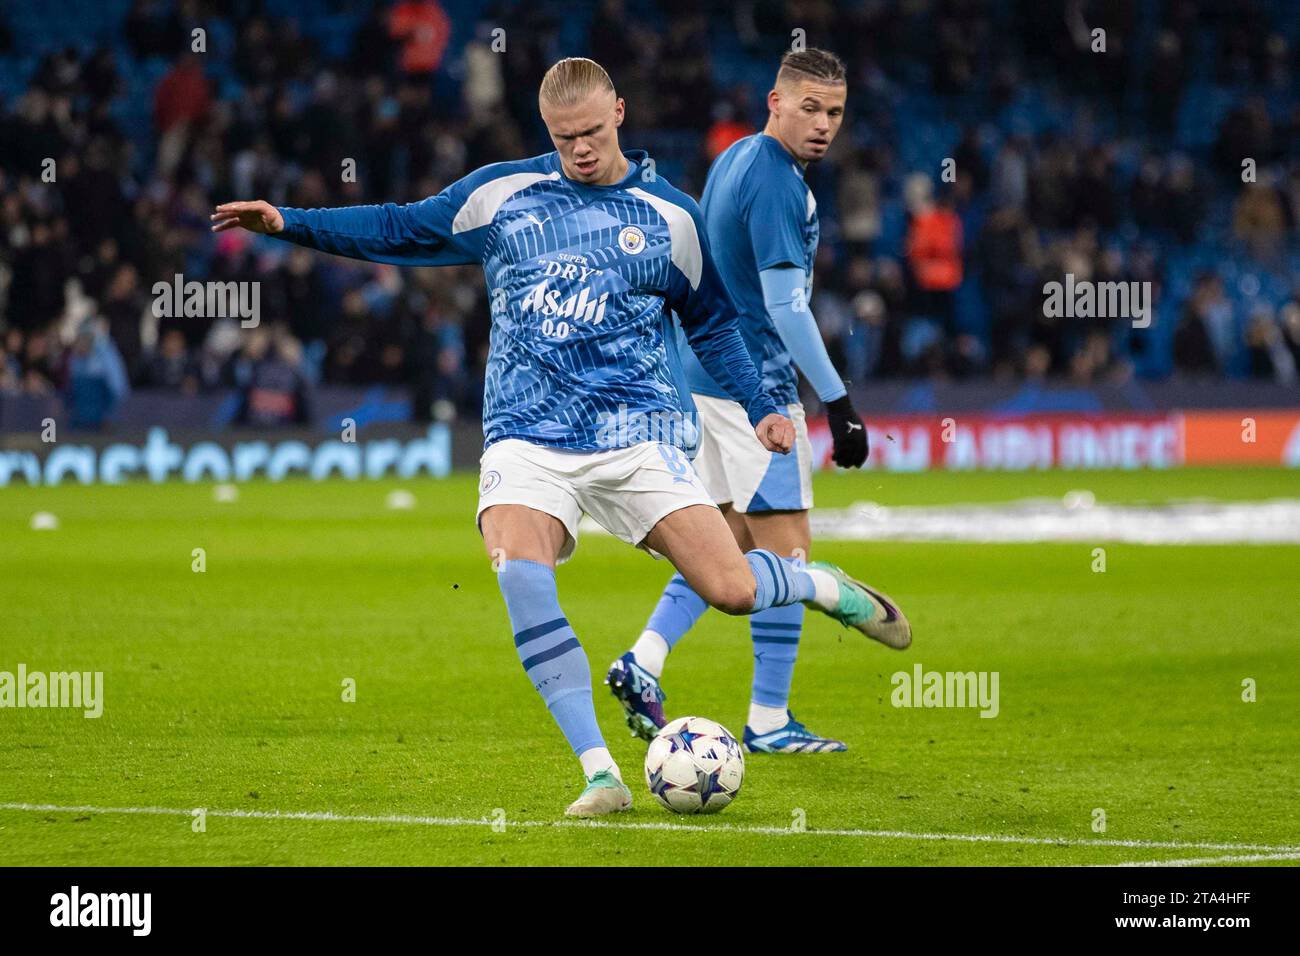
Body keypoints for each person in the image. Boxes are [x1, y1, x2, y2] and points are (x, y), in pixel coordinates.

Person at [212, 57, 896, 817]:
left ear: (621, 116)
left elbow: (713, 323)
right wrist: (291, 223)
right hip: (525, 440)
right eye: (565, 137)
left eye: (594, 133)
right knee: (520, 574)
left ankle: (817, 584)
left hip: (637, 439)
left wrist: (764, 402)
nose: (580, 149)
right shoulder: (501, 195)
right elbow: (400, 227)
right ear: (549, 131)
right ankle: (601, 772)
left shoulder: (670, 217)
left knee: (733, 588)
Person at [608, 49, 910, 756]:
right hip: (759, 394)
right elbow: (787, 305)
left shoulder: (737, 157)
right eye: (810, 107)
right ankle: (771, 718)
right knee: (791, 553)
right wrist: (839, 402)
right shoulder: (776, 180)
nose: (824, 124)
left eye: (835, 112)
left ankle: (644, 660)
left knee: (726, 541)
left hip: (705, 379)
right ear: (775, 100)